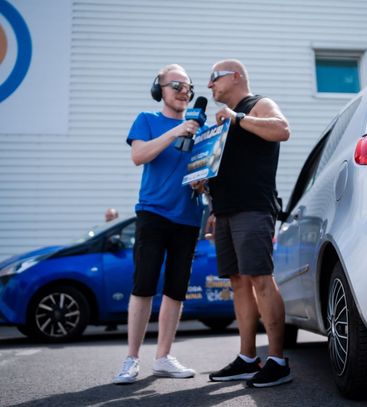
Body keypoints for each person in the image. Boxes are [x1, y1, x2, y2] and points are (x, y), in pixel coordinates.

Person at [113, 64, 206, 384]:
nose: (183, 91)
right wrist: (175, 132)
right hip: (153, 213)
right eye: (176, 85)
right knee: (143, 285)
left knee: (176, 290)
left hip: (188, 217)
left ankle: (164, 358)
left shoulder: (201, 129)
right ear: (159, 90)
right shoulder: (147, 120)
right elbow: (139, 156)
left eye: (188, 86)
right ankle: (131, 359)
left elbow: (205, 170)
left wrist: (203, 184)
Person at [205, 59, 292, 388]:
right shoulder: (223, 121)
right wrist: (210, 200)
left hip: (253, 207)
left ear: (235, 76)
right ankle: (247, 358)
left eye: (214, 78)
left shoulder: (258, 104)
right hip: (225, 211)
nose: (210, 85)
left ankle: (277, 361)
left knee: (260, 278)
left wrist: (238, 118)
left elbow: (282, 130)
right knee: (238, 282)